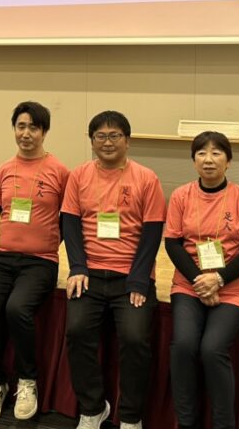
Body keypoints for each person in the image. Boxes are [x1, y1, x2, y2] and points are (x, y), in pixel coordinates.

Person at [62, 110, 165, 429]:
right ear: (92, 141)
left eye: (114, 135)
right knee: (77, 331)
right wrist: (77, 267)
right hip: (89, 273)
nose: (107, 142)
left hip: (131, 277)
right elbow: (70, 222)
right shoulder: (79, 175)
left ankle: (131, 417)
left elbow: (153, 231)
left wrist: (139, 279)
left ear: (127, 141)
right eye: (100, 136)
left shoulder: (146, 178)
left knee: (135, 338)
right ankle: (93, 408)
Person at [0, 101, 69, 422]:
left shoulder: (59, 171)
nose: (26, 133)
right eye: (21, 126)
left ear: (44, 132)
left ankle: (27, 381)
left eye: (33, 127)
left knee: (17, 309)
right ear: (14, 129)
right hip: (3, 257)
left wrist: (45, 243)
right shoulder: (4, 169)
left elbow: (67, 218)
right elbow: (4, 211)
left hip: (40, 261)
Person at [164, 131, 239, 429]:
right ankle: (186, 424)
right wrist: (201, 281)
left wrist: (218, 280)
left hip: (234, 288)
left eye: (216, 153)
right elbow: (172, 244)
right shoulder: (181, 196)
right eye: (201, 153)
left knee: (212, 349)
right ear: (193, 160)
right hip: (189, 284)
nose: (208, 160)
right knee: (183, 346)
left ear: (228, 161)